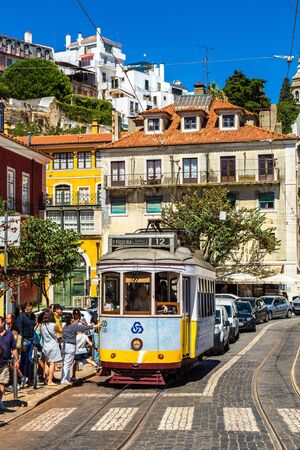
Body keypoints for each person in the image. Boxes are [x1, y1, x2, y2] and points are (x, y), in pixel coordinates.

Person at [61, 316, 101, 385]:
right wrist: (95, 326)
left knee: (65, 363)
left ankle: (64, 378)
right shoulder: (73, 326)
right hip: (70, 346)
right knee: (67, 364)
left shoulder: (65, 326)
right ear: (71, 319)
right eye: (72, 318)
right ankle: (64, 380)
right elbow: (84, 327)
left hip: (64, 345)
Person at [14, 302, 36, 386]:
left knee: (29, 360)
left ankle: (28, 378)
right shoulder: (21, 317)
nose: (29, 308)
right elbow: (19, 330)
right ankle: (23, 379)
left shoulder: (33, 316)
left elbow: (34, 325)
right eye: (27, 307)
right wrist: (22, 343)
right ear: (24, 308)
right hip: (24, 339)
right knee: (24, 360)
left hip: (31, 339)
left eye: (30, 307)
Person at [0, 316, 19, 410]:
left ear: (3, 323)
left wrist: (16, 360)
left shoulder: (9, 334)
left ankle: (0, 402)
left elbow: (14, 348)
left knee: (2, 383)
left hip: (4, 363)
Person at [40, 310, 62, 386]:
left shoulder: (42, 325)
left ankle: (45, 380)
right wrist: (60, 321)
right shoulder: (54, 325)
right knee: (52, 363)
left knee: (47, 363)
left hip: (45, 346)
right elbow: (61, 331)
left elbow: (42, 336)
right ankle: (50, 380)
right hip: (53, 346)